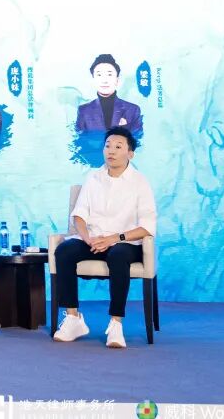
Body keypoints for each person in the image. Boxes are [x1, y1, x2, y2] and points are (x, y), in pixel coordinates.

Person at [53, 126, 157, 348]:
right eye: (108, 146)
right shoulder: (93, 178)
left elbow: (147, 227)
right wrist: (87, 238)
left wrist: (113, 238)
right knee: (64, 250)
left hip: (126, 243)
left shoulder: (140, 182)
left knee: (118, 254)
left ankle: (116, 323)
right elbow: (79, 216)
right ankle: (73, 318)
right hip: (94, 241)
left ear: (130, 153)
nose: (111, 151)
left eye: (118, 147)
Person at [75, 54, 143, 135]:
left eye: (109, 74)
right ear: (93, 80)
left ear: (117, 80)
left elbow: (137, 138)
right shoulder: (83, 111)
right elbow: (79, 139)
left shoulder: (133, 110)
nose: (104, 80)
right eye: (99, 75)